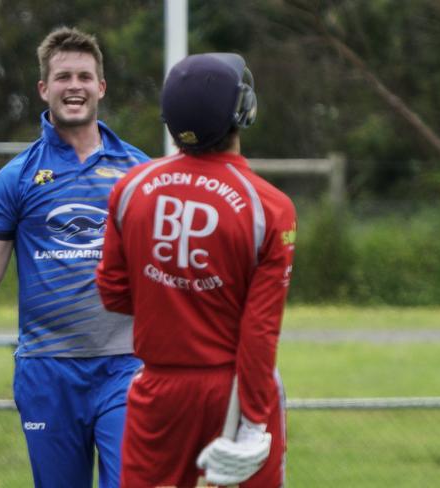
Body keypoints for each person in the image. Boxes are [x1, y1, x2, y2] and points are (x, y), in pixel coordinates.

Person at [0, 26, 149, 488]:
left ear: (101, 86)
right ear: (44, 88)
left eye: (84, 76)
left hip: (126, 366)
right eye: (63, 77)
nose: (74, 86)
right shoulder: (16, 177)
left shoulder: (138, 172)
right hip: (47, 370)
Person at [96, 52, 296, 487]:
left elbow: (113, 292)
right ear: (242, 112)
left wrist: (170, 300)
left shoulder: (129, 189)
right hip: (235, 393)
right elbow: (258, 332)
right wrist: (254, 422)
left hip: (156, 391)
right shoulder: (270, 208)